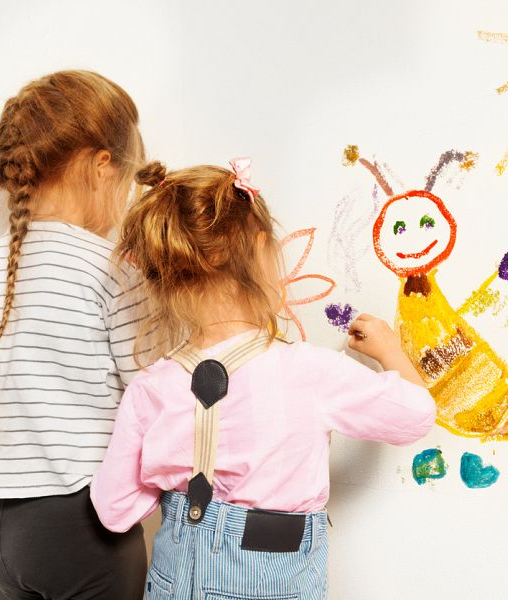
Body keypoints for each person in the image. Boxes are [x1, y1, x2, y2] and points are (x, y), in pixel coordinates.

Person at [90, 158, 435, 600]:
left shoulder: (150, 387)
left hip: (173, 581)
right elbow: (415, 416)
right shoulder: (309, 371)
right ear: (258, 249)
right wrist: (389, 351)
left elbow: (114, 510)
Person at [0, 70, 148, 599]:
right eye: (126, 183)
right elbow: (152, 387)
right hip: (82, 524)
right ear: (101, 167)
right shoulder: (108, 268)